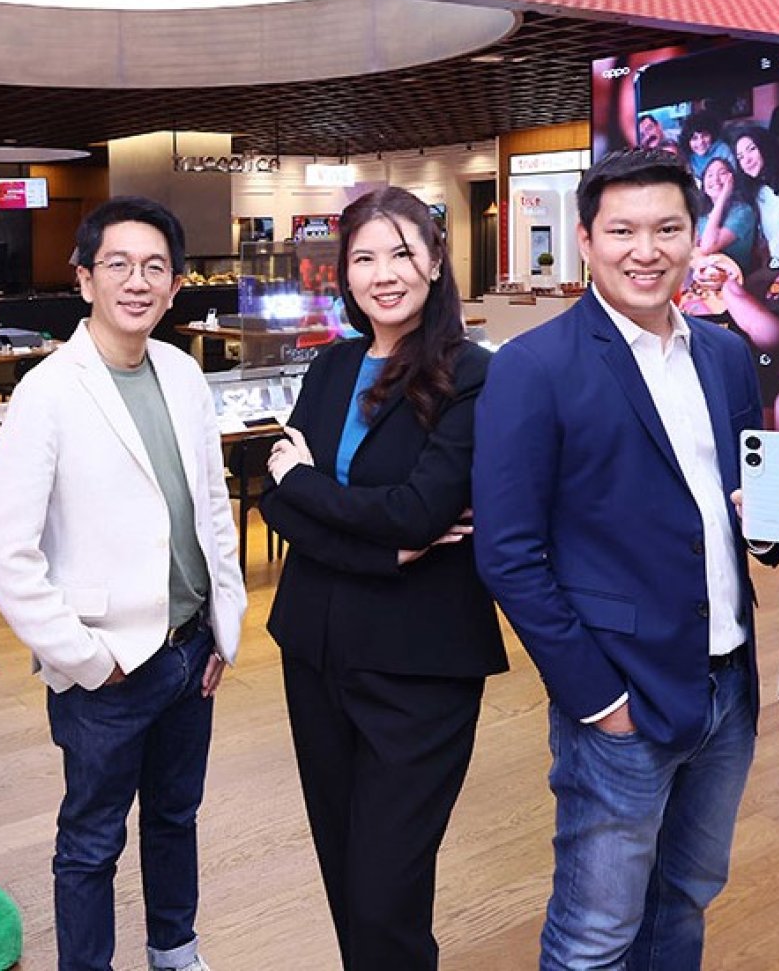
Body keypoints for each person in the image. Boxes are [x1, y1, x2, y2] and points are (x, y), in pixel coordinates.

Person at [473, 147, 779, 969]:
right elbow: (508, 553)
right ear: (586, 240)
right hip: (621, 694)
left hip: (728, 684)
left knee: (685, 897)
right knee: (594, 933)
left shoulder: (725, 354)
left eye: (667, 228)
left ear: (693, 236)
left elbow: (742, 508)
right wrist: (598, 700)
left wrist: (774, 522)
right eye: (623, 230)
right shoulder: (534, 366)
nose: (646, 249)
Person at [0, 196, 249, 971]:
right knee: (91, 841)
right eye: (118, 264)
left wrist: (225, 624)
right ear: (85, 278)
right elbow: (3, 547)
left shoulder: (183, 373)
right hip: (108, 664)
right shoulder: (49, 390)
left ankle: (175, 951)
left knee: (175, 816)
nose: (138, 281)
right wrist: (85, 657)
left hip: (190, 651)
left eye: (155, 266)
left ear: (175, 284)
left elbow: (212, 506)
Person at [258, 186, 507, 971]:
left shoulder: (473, 374)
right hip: (316, 650)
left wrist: (305, 483)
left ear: (434, 261)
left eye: (402, 252)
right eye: (364, 257)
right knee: (343, 869)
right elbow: (274, 500)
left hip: (418, 666)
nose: (383, 273)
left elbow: (417, 510)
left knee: (385, 891)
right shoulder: (333, 365)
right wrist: (380, 548)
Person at [728, 123, 779, 269]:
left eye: (752, 149)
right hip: (775, 264)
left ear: (765, 147)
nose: (747, 160)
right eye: (740, 157)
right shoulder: (757, 191)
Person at [693, 155, 757, 274]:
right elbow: (694, 243)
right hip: (707, 273)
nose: (715, 179)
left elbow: (707, 247)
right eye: (710, 175)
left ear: (732, 180)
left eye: (722, 173)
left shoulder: (743, 211)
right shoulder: (703, 212)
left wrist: (723, 196)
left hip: (734, 276)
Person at [678, 108, 733, 180]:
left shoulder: (723, 150)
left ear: (712, 135)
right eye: (694, 138)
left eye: (704, 135)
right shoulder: (688, 157)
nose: (700, 142)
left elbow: (733, 176)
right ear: (687, 141)